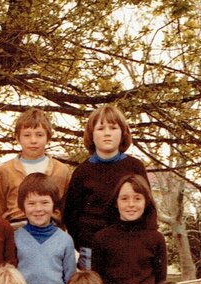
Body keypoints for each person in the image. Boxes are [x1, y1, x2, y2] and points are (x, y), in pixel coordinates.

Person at [63, 104, 148, 268]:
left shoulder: (135, 167)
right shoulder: (82, 172)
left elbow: (147, 209)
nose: (107, 133)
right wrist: (83, 243)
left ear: (123, 133)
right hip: (91, 250)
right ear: (91, 135)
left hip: (128, 247)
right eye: (101, 128)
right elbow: (71, 215)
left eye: (113, 128)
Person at [90, 174, 168, 284]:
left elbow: (160, 281)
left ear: (146, 202)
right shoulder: (102, 238)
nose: (131, 204)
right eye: (124, 199)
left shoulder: (156, 238)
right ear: (116, 203)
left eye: (137, 198)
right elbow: (97, 280)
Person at [12, 173, 76, 284]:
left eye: (44, 202)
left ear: (54, 205)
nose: (38, 209)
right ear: (22, 206)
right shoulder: (15, 238)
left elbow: (71, 280)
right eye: (31, 203)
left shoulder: (65, 240)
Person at [0, 108, 72, 227]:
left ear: (48, 137)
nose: (33, 141)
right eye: (27, 135)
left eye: (39, 135)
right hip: (15, 228)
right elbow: (0, 209)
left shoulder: (61, 170)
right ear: (17, 138)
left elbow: (66, 209)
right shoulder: (5, 170)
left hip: (51, 230)